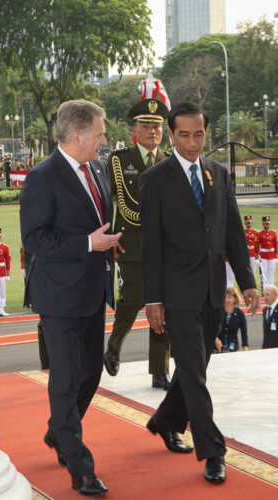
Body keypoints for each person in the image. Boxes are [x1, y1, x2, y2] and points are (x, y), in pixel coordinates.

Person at [139, 102, 259, 485]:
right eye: (185, 135)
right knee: (192, 372)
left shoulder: (218, 174)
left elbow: (233, 233)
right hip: (175, 296)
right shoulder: (156, 179)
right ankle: (213, 451)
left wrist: (248, 281)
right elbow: (150, 246)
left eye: (199, 134)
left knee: (196, 369)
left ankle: (164, 419)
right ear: (171, 135)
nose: (193, 143)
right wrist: (153, 299)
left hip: (212, 292)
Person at [19, 99, 119, 497]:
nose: (104, 140)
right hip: (58, 295)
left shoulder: (96, 168)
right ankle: (80, 468)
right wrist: (88, 244)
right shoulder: (42, 177)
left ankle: (57, 431)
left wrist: (107, 245)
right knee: (65, 380)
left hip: (93, 290)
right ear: (76, 136)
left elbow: (97, 224)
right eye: (99, 133)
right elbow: (34, 238)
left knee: (91, 373)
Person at [103, 98, 172, 391]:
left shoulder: (170, 160)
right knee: (132, 302)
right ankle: (114, 346)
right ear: (135, 129)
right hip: (130, 243)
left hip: (165, 247)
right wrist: (108, 240)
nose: (152, 131)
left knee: (163, 307)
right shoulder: (120, 160)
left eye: (156, 126)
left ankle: (159, 370)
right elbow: (108, 203)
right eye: (146, 125)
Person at [214, 287, 249, 353]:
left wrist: (246, 351)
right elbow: (210, 328)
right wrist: (215, 339)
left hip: (233, 349)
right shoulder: (217, 312)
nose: (226, 300)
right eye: (225, 297)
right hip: (216, 349)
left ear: (235, 299)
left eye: (229, 297)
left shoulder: (240, 313)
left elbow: (244, 334)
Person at [257, 216, 278, 287]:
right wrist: (257, 257)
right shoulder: (260, 234)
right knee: (264, 272)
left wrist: (276, 256)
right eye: (266, 223)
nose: (267, 225)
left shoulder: (273, 233)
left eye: (268, 223)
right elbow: (257, 246)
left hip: (271, 255)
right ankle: (265, 287)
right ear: (263, 224)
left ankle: (271, 286)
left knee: (271, 272)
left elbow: (275, 245)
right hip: (263, 256)